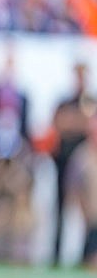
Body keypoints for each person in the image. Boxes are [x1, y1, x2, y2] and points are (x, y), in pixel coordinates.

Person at [51, 61, 96, 266]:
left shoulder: (89, 101)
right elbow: (59, 123)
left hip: (84, 161)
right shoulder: (66, 101)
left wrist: (74, 121)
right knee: (61, 209)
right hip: (64, 162)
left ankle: (86, 254)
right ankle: (56, 254)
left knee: (88, 211)